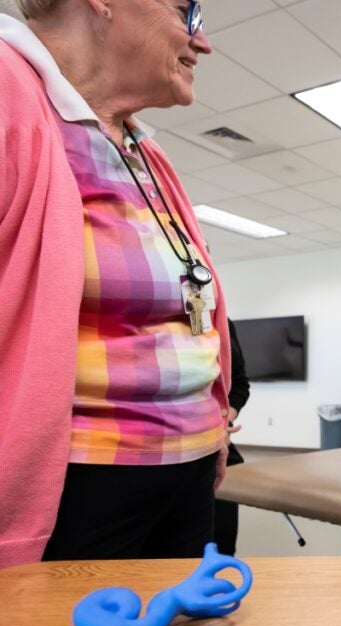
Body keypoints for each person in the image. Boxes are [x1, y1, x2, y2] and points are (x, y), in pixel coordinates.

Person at [0, 1, 228, 567]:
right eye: (186, 11)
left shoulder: (146, 152)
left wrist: (216, 417)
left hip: (189, 468)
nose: (202, 43)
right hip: (81, 485)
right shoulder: (9, 91)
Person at [214, 319, 250, 556]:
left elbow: (239, 385)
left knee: (223, 546)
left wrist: (224, 419)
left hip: (219, 452)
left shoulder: (224, 323)